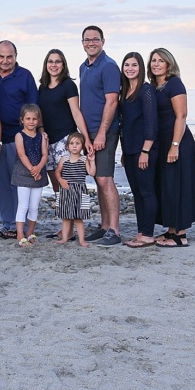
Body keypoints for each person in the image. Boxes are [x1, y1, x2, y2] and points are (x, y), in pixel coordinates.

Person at [148, 48, 195, 247]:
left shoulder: (174, 83)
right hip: (161, 141)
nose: (156, 64)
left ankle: (180, 235)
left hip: (177, 140)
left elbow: (181, 116)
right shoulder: (154, 86)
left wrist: (175, 146)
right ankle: (171, 230)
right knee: (167, 186)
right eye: (153, 60)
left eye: (161, 60)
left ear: (169, 64)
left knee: (177, 185)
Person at [78, 25, 122, 247]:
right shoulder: (84, 67)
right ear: (82, 43)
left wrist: (102, 133)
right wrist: (86, 135)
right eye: (87, 40)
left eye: (95, 39)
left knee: (105, 179)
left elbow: (112, 101)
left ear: (103, 41)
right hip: (90, 132)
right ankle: (104, 226)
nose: (91, 43)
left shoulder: (109, 66)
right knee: (97, 179)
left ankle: (114, 230)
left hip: (105, 131)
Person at [0, 40, 38, 240]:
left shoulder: (25, 76)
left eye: (9, 57)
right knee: (2, 184)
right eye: (1, 56)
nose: (5, 60)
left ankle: (22, 225)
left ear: (16, 56)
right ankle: (8, 223)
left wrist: (37, 134)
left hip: (21, 138)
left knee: (21, 183)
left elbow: (34, 107)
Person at [37, 48, 92, 194]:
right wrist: (41, 132)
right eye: (50, 61)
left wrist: (86, 138)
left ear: (63, 65)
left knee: (69, 182)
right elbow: (40, 113)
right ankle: (62, 209)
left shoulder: (68, 85)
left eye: (58, 62)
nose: (54, 65)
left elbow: (76, 113)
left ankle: (76, 208)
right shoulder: (42, 87)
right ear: (46, 64)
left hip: (65, 138)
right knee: (56, 183)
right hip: (48, 140)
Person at [119, 51, 158, 249]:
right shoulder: (125, 91)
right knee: (136, 193)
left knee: (147, 192)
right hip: (129, 150)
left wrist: (145, 151)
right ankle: (141, 233)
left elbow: (151, 123)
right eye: (127, 65)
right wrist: (125, 152)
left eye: (134, 65)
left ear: (141, 68)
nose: (130, 68)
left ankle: (148, 235)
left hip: (144, 150)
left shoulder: (146, 90)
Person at [11, 104, 48, 248]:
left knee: (34, 206)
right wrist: (32, 170)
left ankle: (30, 233)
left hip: (38, 173)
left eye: (34, 119)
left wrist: (38, 168)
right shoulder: (19, 136)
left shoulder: (41, 136)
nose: (31, 122)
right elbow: (21, 154)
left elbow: (45, 154)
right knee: (23, 205)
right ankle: (20, 234)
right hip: (23, 173)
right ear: (22, 120)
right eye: (28, 119)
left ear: (38, 120)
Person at [55, 132, 94, 248]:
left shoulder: (84, 159)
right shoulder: (64, 159)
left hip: (80, 191)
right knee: (66, 217)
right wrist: (60, 180)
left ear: (82, 146)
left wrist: (92, 161)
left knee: (78, 218)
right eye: (72, 143)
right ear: (67, 146)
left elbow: (92, 173)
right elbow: (57, 172)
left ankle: (82, 240)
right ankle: (64, 238)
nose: (74, 146)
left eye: (77, 143)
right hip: (66, 190)